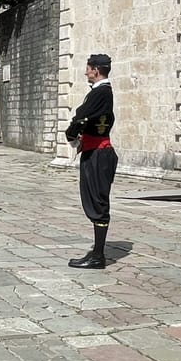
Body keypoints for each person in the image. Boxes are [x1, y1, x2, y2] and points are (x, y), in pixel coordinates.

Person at [65, 53, 118, 269]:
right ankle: (96, 252)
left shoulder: (101, 92)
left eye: (88, 68)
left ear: (96, 70)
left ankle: (98, 256)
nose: (85, 72)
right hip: (93, 151)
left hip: (98, 153)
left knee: (98, 202)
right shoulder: (100, 92)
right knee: (94, 200)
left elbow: (82, 115)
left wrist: (72, 132)